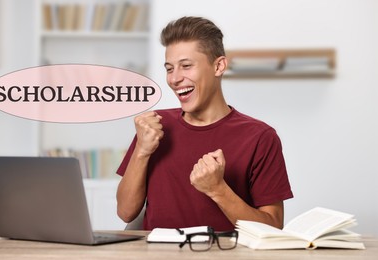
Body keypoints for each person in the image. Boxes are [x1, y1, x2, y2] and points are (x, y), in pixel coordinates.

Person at [116, 16, 293, 231]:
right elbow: (125, 212)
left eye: (186, 66)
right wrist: (142, 151)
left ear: (218, 66)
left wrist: (218, 189)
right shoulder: (153, 127)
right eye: (169, 68)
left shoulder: (260, 137)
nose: (174, 79)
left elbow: (273, 227)